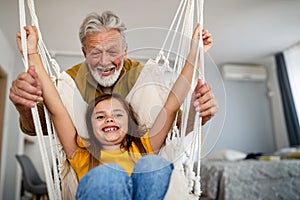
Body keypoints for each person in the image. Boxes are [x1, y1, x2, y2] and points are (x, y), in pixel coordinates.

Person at [20, 24, 209, 199]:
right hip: (99, 188)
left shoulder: (143, 147)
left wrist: (195, 56)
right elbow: (57, 109)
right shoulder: (81, 153)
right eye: (100, 116)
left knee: (153, 165)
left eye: (118, 115)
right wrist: (32, 53)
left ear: (129, 124)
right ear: (90, 126)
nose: (109, 119)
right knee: (108, 176)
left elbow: (171, 105)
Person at [9, 11, 218, 138]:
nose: (104, 62)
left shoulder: (142, 78)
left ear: (125, 52)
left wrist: (197, 114)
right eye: (95, 53)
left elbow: (173, 123)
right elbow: (46, 122)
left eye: (112, 52)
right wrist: (24, 105)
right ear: (84, 53)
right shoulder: (70, 83)